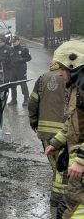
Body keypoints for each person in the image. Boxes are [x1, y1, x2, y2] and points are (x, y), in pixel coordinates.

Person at [44, 40, 84, 218]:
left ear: (74, 66)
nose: (59, 74)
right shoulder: (78, 88)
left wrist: (81, 160)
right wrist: (56, 142)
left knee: (73, 212)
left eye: (62, 69)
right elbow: (72, 123)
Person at [28, 62, 71, 207]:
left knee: (56, 167)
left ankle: (58, 198)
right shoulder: (72, 77)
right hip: (66, 132)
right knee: (62, 168)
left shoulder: (42, 77)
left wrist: (33, 121)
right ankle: (59, 200)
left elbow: (33, 101)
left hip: (46, 132)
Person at [8, 35, 31, 106]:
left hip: (21, 70)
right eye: (13, 42)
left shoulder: (23, 49)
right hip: (13, 70)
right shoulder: (11, 49)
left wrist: (22, 60)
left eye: (15, 42)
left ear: (18, 41)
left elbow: (29, 58)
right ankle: (14, 99)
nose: (14, 43)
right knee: (12, 85)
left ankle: (26, 99)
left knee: (23, 84)